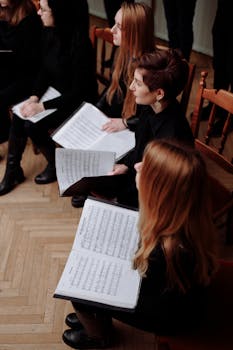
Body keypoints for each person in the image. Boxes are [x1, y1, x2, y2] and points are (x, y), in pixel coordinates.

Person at [62, 139, 218, 349]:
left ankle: (99, 337)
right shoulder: (186, 216)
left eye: (146, 167)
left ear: (158, 189)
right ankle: (94, 317)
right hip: (176, 296)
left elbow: (134, 283)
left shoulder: (164, 252)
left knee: (79, 292)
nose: (136, 165)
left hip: (171, 318)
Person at [71, 49, 194, 208]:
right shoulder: (151, 107)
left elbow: (160, 192)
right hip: (140, 173)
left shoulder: (171, 138)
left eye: (138, 83)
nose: (130, 87)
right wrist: (126, 165)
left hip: (155, 194)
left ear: (159, 93)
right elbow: (140, 148)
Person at [0, 0, 98, 195]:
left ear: (58, 14)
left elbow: (79, 93)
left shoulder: (80, 44)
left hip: (77, 102)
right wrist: (35, 97)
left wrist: (43, 106)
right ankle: (13, 171)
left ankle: (55, 165)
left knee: (32, 124)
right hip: (56, 93)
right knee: (21, 114)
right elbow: (44, 71)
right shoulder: (49, 33)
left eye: (43, 10)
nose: (38, 13)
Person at [97, 1, 155, 133]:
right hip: (120, 115)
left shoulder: (151, 69)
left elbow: (151, 117)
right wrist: (96, 108)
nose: (112, 30)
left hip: (135, 128)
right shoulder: (123, 53)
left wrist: (125, 123)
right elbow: (113, 85)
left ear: (134, 32)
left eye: (119, 26)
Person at [0, 0, 42, 147]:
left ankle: (4, 134)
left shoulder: (29, 16)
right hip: (8, 68)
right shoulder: (2, 9)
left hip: (26, 74)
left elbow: (30, 59)